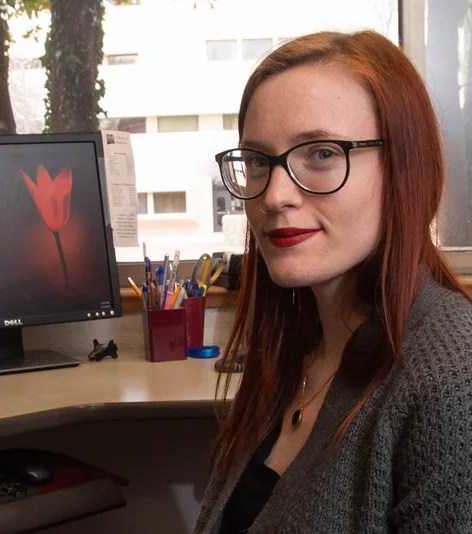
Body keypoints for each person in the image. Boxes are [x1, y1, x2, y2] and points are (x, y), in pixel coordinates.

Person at [196, 30, 472, 533]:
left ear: (404, 168)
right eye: (259, 160)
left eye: (322, 153)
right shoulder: (298, 346)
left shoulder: (452, 382)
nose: (275, 195)